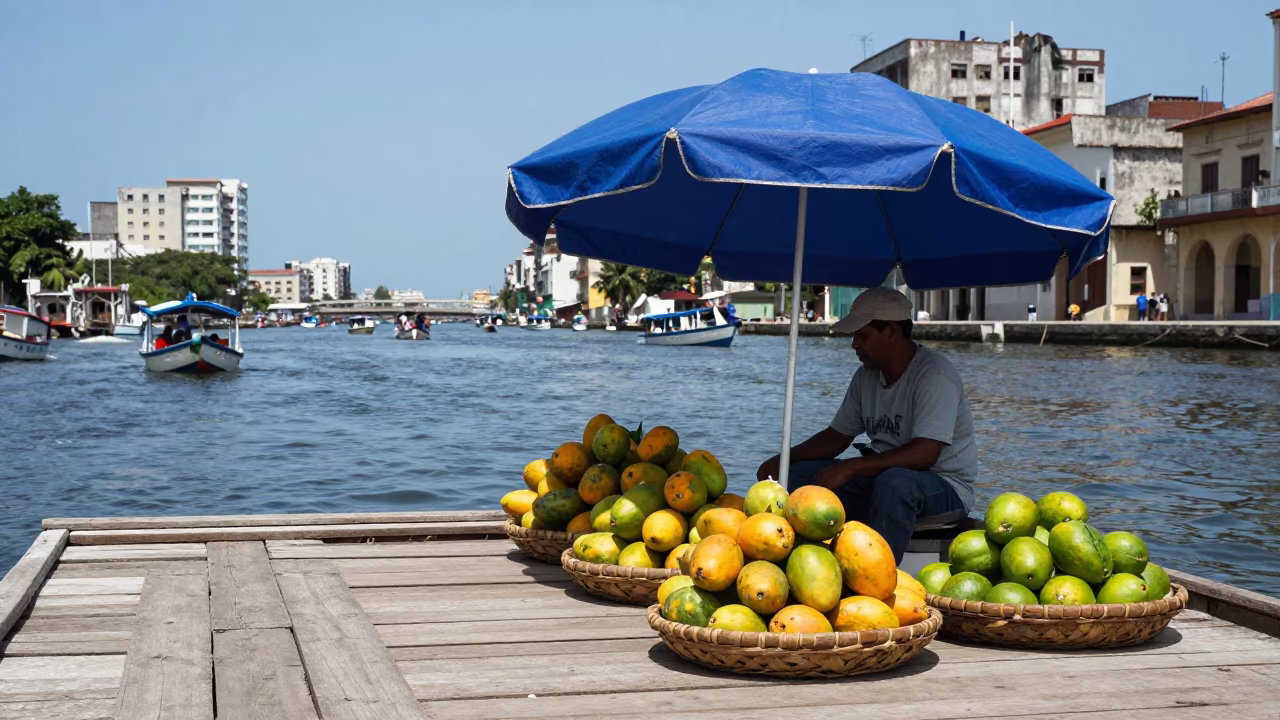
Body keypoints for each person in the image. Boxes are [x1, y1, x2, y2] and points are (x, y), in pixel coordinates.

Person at [755, 287, 976, 562]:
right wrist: (782, 461)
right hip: (881, 475)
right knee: (798, 477)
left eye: (862, 336)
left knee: (895, 483)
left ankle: (877, 578)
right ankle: (801, 563)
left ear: (892, 332)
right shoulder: (866, 376)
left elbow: (924, 453)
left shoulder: (935, 375)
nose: (854, 345)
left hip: (944, 487)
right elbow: (836, 438)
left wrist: (851, 467)